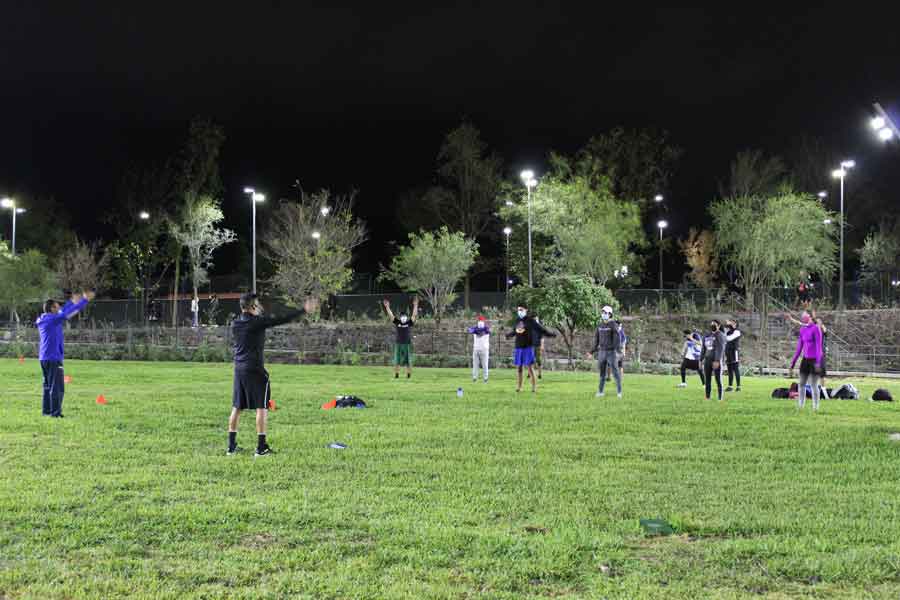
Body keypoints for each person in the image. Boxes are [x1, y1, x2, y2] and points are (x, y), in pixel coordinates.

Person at [228, 292, 318, 456]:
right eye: (258, 304)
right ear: (253, 306)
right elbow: (280, 319)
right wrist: (303, 310)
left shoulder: (235, 323)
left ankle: (231, 447)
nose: (260, 307)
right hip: (255, 369)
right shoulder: (257, 322)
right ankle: (261, 448)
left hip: (239, 369)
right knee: (261, 407)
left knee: (237, 406)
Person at [36, 290, 94, 417]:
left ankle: (47, 411)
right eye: (57, 306)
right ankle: (56, 413)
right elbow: (67, 314)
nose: (60, 308)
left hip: (44, 358)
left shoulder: (45, 319)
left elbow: (63, 311)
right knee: (57, 387)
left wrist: (72, 301)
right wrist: (84, 300)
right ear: (52, 308)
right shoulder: (53, 320)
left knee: (47, 386)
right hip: (53, 357)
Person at [506, 305, 554, 392]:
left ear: (526, 310)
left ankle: (534, 387)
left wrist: (550, 334)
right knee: (519, 368)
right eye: (518, 310)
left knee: (529, 367)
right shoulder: (517, 320)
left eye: (521, 310)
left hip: (527, 347)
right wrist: (509, 335)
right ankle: (519, 387)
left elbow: (540, 328)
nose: (519, 311)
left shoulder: (530, 320)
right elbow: (515, 331)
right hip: (518, 347)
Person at [789, 311, 824, 412]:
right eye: (802, 315)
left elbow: (818, 347)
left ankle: (815, 407)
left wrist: (818, 362)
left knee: (813, 384)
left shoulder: (816, 329)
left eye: (805, 315)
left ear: (810, 316)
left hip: (815, 360)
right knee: (801, 383)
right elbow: (799, 348)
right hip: (805, 360)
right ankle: (801, 405)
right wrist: (793, 363)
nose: (802, 317)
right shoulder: (802, 329)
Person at [586, 305, 622, 398]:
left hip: (611, 353)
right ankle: (600, 392)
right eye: (602, 312)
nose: (603, 314)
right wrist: (591, 352)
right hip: (601, 352)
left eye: (605, 313)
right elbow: (596, 341)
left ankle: (619, 392)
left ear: (610, 314)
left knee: (615, 373)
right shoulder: (600, 325)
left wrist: (617, 350)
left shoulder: (613, 324)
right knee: (602, 374)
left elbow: (617, 338)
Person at [383, 297, 419, 379]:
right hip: (398, 344)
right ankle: (396, 375)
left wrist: (415, 305)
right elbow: (391, 315)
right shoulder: (397, 322)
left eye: (405, 316)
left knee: (408, 361)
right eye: (402, 316)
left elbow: (414, 315)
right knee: (397, 361)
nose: (403, 317)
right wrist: (387, 307)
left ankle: (409, 375)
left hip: (407, 344)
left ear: (406, 317)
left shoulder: (409, 322)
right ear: (400, 317)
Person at [700, 319, 726, 401]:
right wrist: (700, 360)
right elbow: (703, 348)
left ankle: (720, 398)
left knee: (718, 379)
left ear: (718, 326)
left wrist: (717, 360)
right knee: (707, 380)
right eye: (711, 324)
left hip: (716, 361)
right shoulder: (706, 335)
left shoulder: (720, 335)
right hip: (707, 360)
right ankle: (707, 397)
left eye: (714, 324)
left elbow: (720, 349)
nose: (712, 326)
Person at [467, 315, 491, 383]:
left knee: (485, 365)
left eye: (481, 321)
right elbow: (470, 330)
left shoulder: (486, 328)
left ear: (484, 321)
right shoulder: (475, 328)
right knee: (475, 365)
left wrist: (478, 332)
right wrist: (474, 331)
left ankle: (485, 379)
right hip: (476, 349)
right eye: (479, 320)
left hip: (484, 349)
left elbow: (487, 331)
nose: (480, 322)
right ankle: (474, 378)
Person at [724, 319, 742, 392]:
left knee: (735, 369)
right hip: (728, 352)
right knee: (730, 370)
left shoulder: (737, 331)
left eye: (733, 323)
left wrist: (725, 333)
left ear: (736, 324)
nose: (731, 323)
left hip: (734, 352)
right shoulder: (728, 331)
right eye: (731, 322)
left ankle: (738, 386)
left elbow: (728, 339)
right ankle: (730, 386)